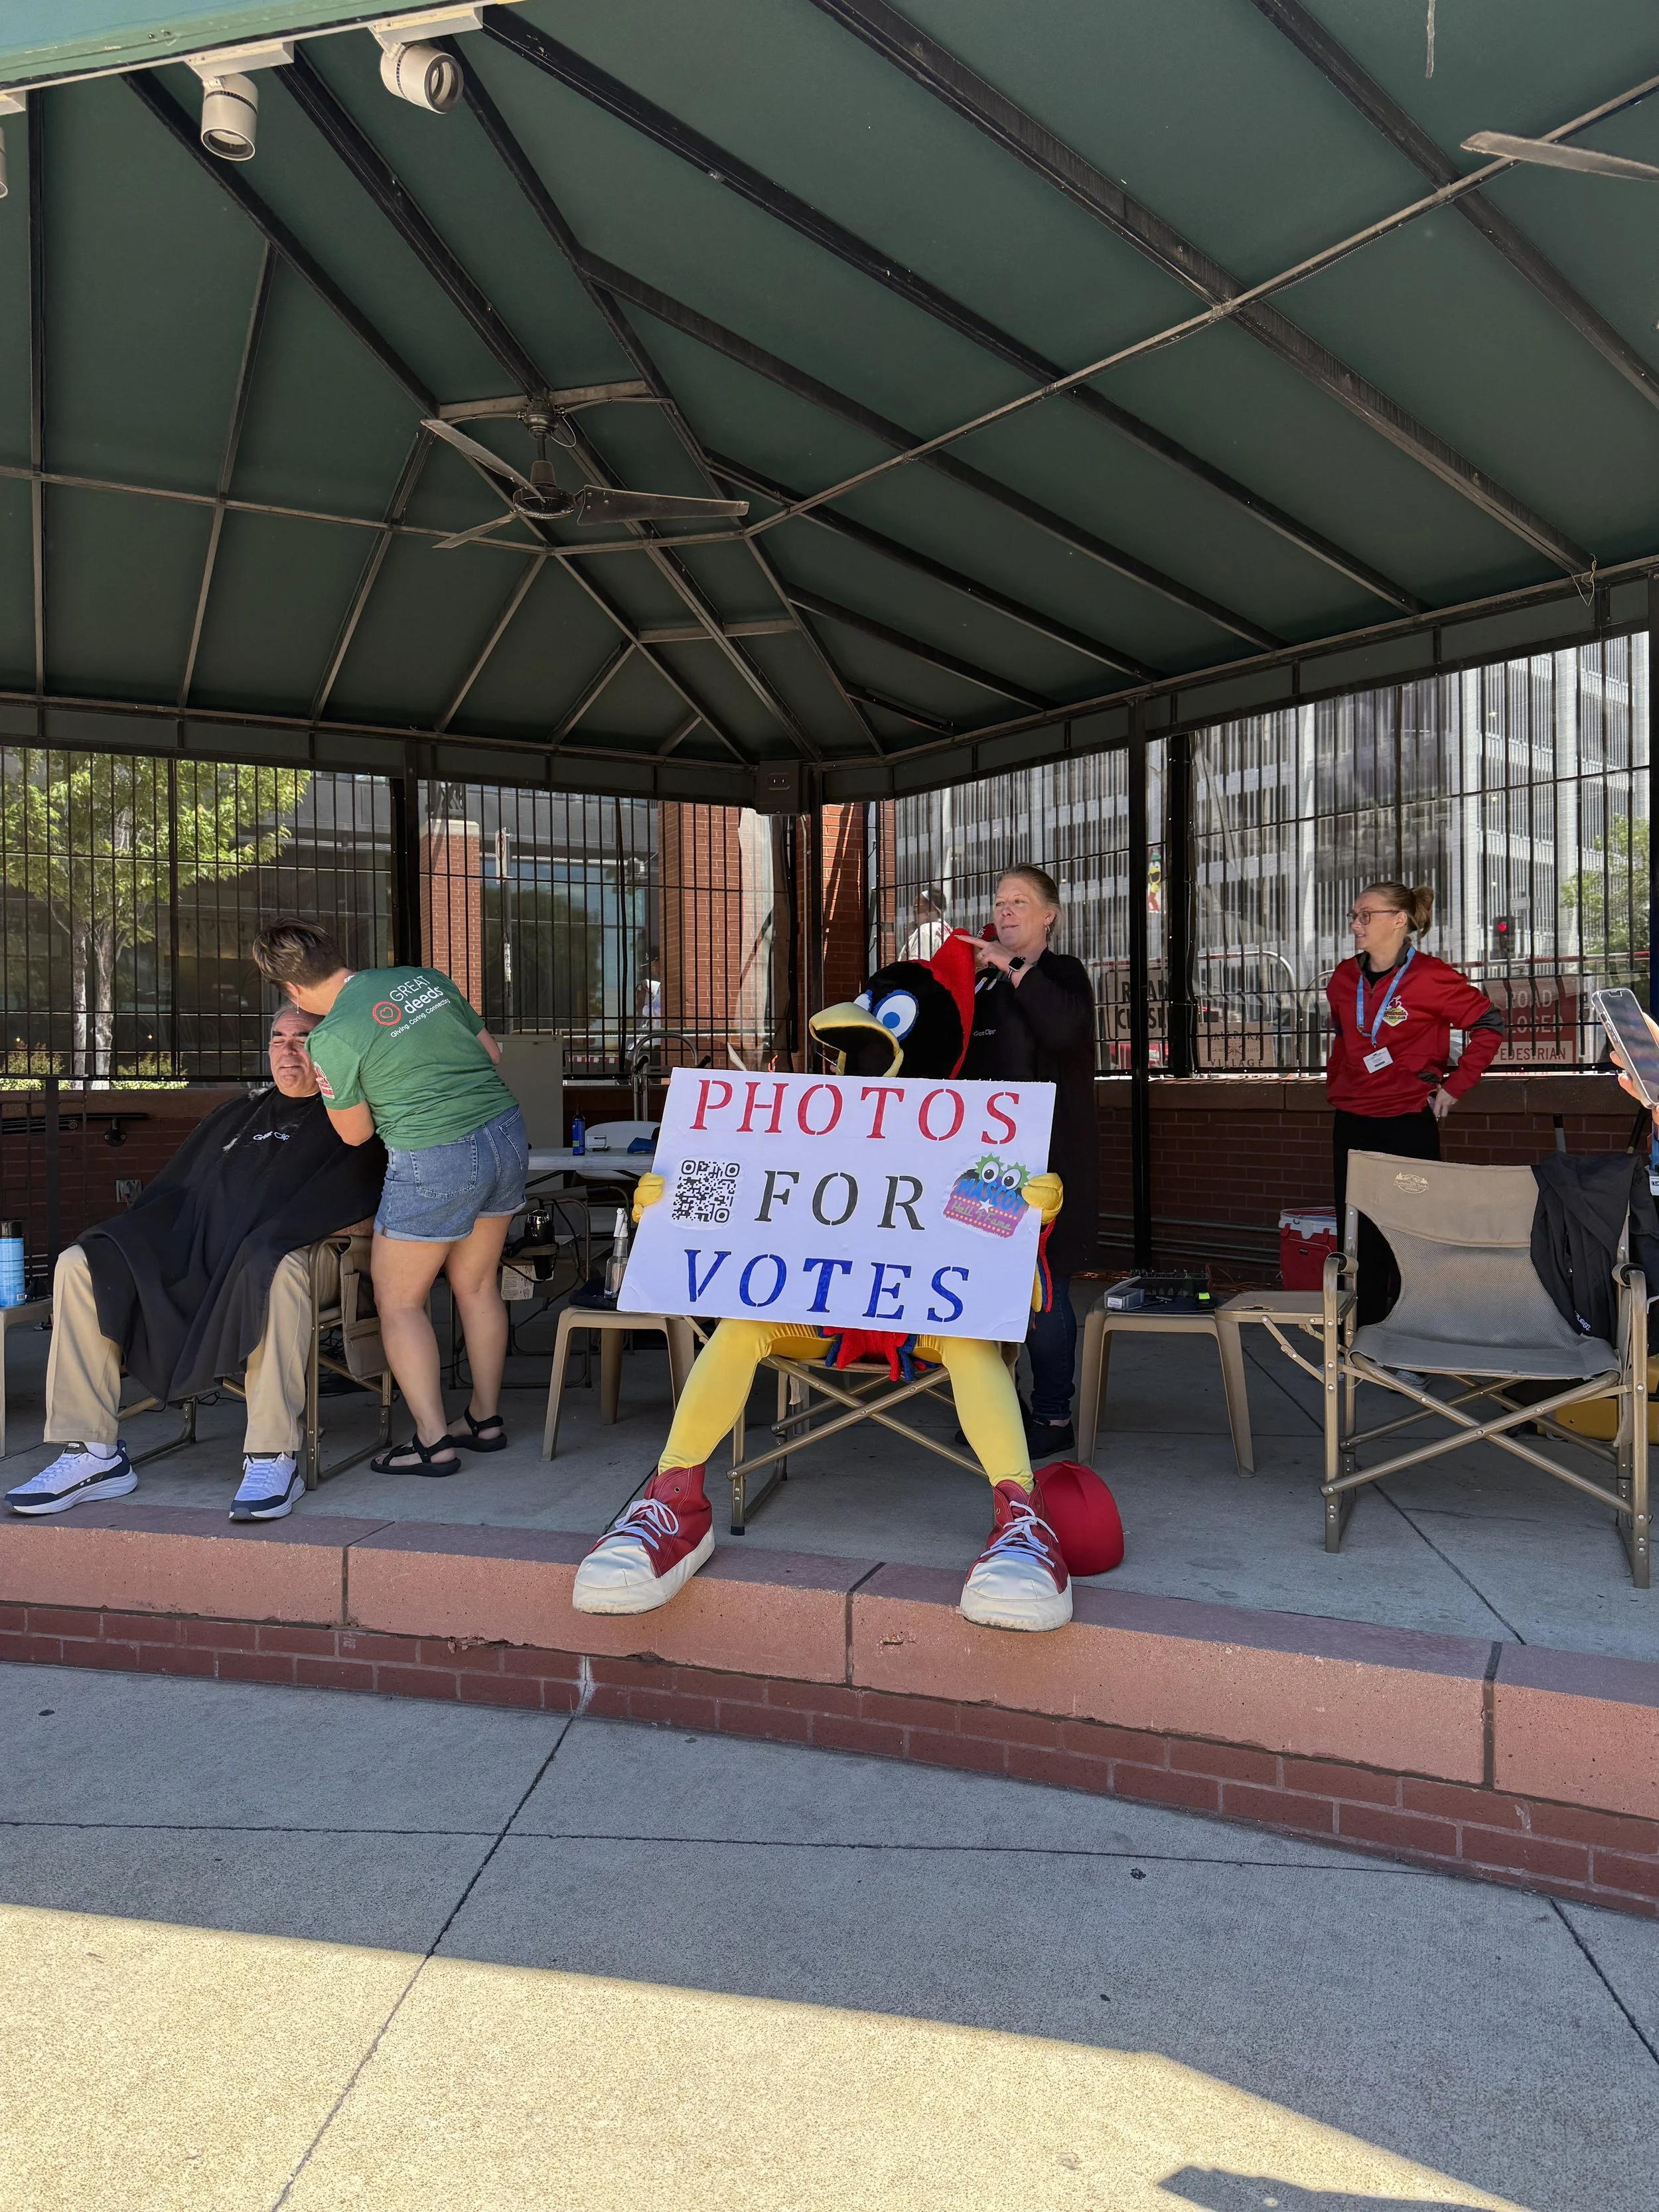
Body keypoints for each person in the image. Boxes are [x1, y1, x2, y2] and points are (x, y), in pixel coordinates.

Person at [5, 1006, 384, 1522]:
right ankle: (90, 1453)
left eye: (304, 1038)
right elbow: (177, 1197)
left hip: (306, 1262)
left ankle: (273, 1453)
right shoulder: (237, 1115)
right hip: (202, 1252)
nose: (287, 1049)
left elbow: (377, 1207)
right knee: (82, 1263)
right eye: (278, 1038)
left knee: (271, 1268)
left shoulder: (358, 1119)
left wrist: (287, 1235)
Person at [251, 923, 527, 1476]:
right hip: (506, 1135)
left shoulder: (331, 1038)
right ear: (337, 954)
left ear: (291, 991)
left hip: (433, 1154)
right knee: (476, 1285)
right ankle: (484, 1419)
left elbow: (354, 1134)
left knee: (399, 1300)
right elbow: (491, 1053)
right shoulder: (423, 980)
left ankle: (431, 1441)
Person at [960, 865, 1099, 1457]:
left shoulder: (1061, 974)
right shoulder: (983, 984)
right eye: (1000, 901)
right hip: (987, 1165)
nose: (1008, 910)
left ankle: (1051, 1416)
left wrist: (1008, 965)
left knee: (1045, 1292)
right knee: (984, 1292)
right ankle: (997, 1407)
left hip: (1049, 1164)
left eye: (1021, 901)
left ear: (1050, 915)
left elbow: (1063, 1029)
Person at [1328, 881, 1502, 1324]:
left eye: (1367, 914)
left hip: (1407, 1121)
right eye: (1354, 914)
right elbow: (1349, 1036)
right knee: (1357, 1235)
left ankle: (1411, 1339)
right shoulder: (1343, 979)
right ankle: (1365, 1336)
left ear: (1399, 920)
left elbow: (1488, 1023)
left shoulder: (1430, 976)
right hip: (1352, 1120)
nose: (1355, 923)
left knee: (1412, 1236)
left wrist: (1454, 1085)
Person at [901, 885, 950, 964]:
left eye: (917, 906)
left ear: (930, 909)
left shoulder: (926, 930)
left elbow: (915, 967)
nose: (914, 910)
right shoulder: (947, 929)